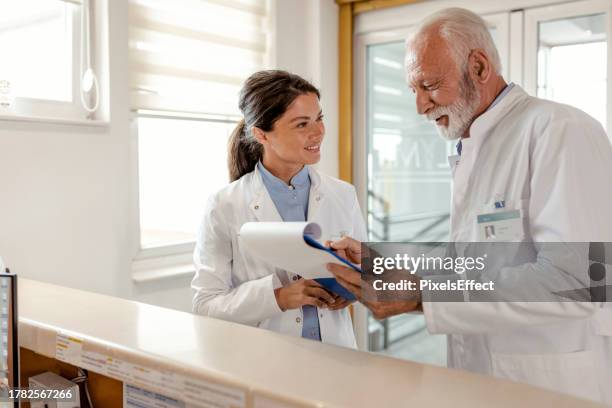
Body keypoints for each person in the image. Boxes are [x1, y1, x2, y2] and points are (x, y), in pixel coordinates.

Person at [327, 8, 612, 404]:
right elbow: (479, 262)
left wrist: (425, 293)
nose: (421, 106)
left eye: (430, 84)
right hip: (479, 378)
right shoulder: (474, 144)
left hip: (548, 383)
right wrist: (382, 261)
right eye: (414, 90)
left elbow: (577, 279)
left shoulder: (559, 131)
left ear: (478, 66)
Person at [192, 70, 366, 348]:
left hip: (337, 353)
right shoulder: (225, 205)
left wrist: (355, 289)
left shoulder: (342, 194)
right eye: (301, 124)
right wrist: (278, 297)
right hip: (266, 359)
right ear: (261, 134)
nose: (318, 131)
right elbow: (205, 305)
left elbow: (369, 272)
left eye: (319, 118)